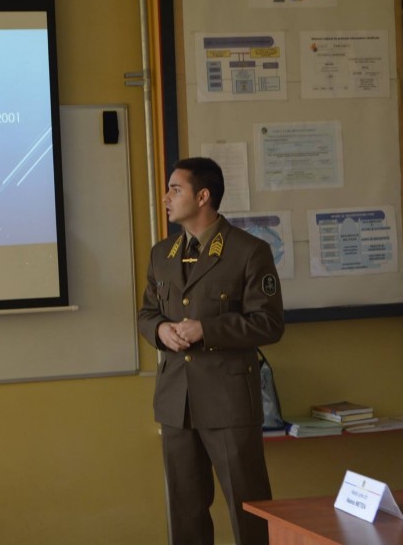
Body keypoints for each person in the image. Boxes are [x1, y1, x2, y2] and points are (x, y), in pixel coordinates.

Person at [138, 157, 284, 545]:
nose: (166, 197)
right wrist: (160, 330)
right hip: (176, 401)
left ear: (203, 197)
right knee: (185, 511)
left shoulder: (248, 251)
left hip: (229, 400)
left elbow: (269, 323)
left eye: (175, 189)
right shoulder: (162, 254)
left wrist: (207, 329)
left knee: (248, 507)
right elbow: (147, 314)